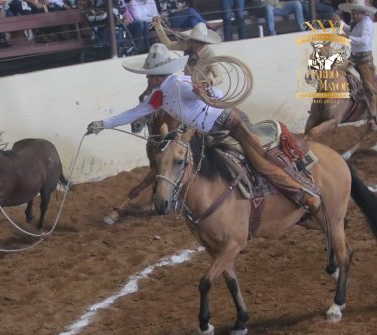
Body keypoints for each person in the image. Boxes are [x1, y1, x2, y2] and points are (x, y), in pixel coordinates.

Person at [85, 43, 321, 213]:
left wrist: (204, 93)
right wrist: (103, 124)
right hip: (209, 132)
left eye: (150, 76)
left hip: (230, 123)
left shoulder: (179, 84)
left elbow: (216, 94)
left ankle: (303, 193)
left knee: (260, 160)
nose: (148, 79)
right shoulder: (160, 96)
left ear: (159, 75)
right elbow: (136, 112)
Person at [335, 0, 377, 130]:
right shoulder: (356, 22)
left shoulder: (367, 23)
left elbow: (364, 40)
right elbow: (349, 30)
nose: (354, 14)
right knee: (335, 70)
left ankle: (374, 117)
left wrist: (347, 39)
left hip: (364, 61)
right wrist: (340, 23)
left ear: (363, 13)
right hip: (354, 57)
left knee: (369, 88)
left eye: (356, 12)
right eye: (353, 12)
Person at [151, 18, 223, 85]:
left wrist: (210, 82)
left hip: (203, 87)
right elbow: (168, 45)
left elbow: (219, 77)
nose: (194, 44)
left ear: (204, 43)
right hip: (188, 84)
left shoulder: (210, 55)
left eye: (197, 42)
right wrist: (158, 27)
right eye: (192, 40)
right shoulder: (187, 44)